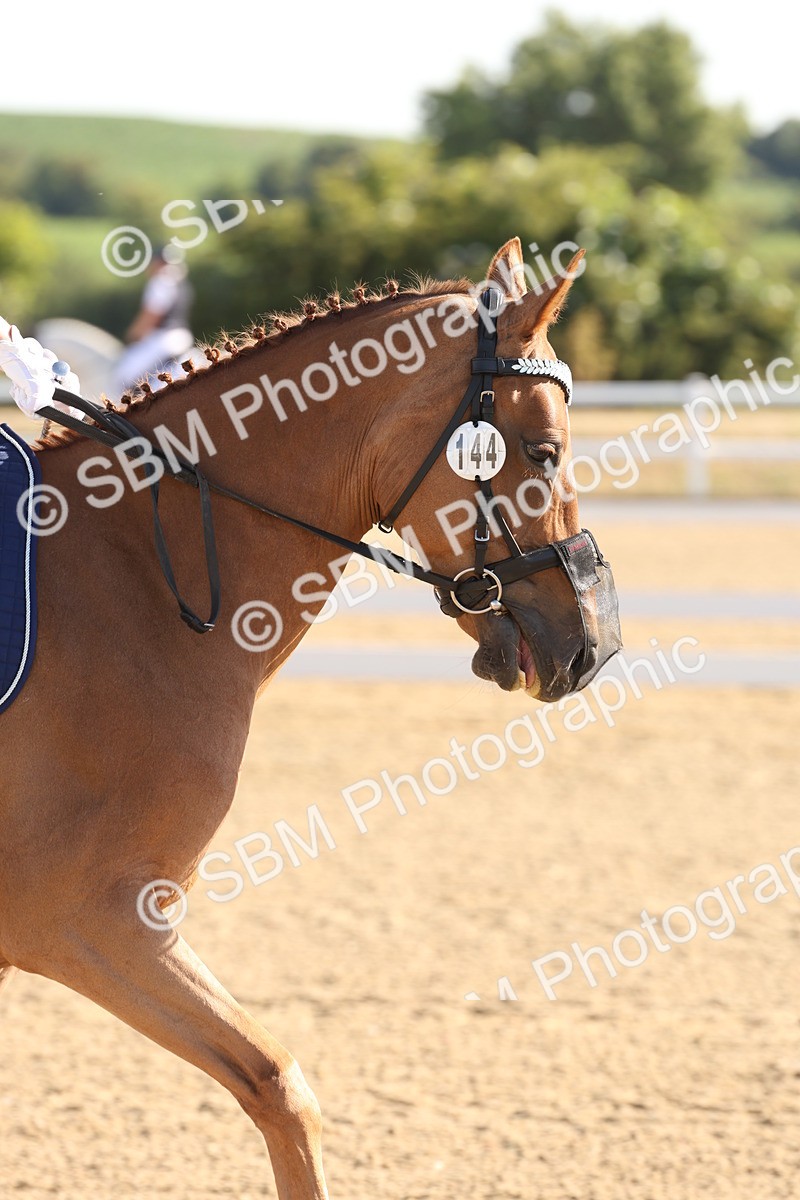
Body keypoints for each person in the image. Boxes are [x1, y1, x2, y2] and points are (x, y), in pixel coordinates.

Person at [114, 244, 194, 396]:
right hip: (181, 337)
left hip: (162, 339)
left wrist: (132, 336)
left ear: (157, 262)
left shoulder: (161, 281)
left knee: (123, 376)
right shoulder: (180, 281)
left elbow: (151, 316)